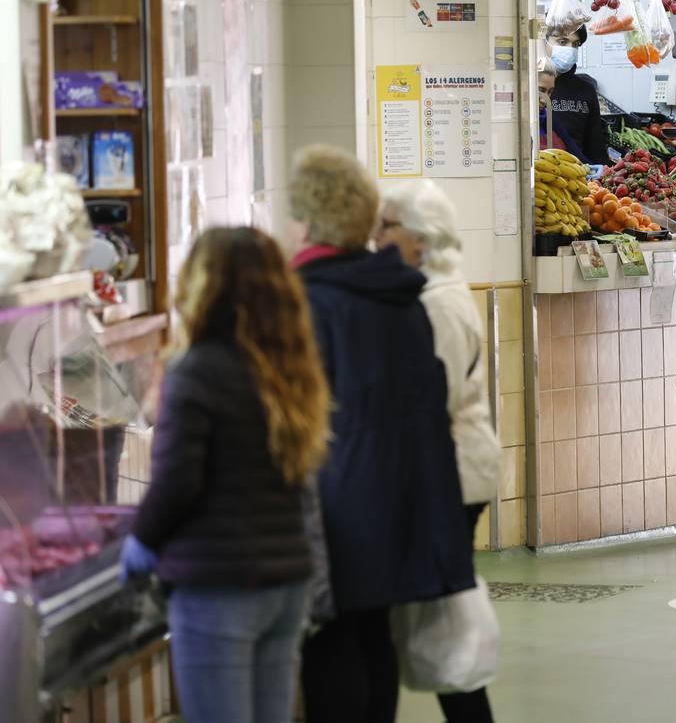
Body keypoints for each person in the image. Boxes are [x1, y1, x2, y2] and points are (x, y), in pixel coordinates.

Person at [287, 146, 477, 723]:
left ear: (306, 217)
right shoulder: (400, 293)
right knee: (374, 635)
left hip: (336, 497)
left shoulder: (305, 299)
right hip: (402, 492)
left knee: (331, 642)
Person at [120, 227, 331, 723]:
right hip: (286, 583)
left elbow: (177, 481)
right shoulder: (289, 368)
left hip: (218, 584)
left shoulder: (195, 368)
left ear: (201, 287)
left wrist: (142, 540)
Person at [376, 181, 500, 723]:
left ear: (418, 240)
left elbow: (434, 395)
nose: (376, 237)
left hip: (453, 475)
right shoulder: (427, 291)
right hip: (440, 471)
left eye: (386, 227)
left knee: (448, 623)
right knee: (438, 618)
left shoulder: (439, 302)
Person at [547, 27, 609, 165]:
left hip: (576, 176)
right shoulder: (528, 88)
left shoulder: (585, 90)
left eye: (575, 44)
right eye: (562, 42)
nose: (570, 49)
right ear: (543, 41)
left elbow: (595, 143)